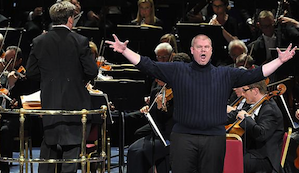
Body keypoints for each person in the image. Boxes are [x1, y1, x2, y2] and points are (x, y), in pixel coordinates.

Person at [105, 33, 296, 172]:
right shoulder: (178, 70)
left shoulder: (225, 74)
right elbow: (149, 65)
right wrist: (124, 51)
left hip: (214, 140)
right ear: (192, 50)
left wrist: (279, 61)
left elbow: (257, 73)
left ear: (211, 51)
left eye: (206, 47)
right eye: (199, 47)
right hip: (183, 138)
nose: (203, 50)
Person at [25, 1, 98, 173]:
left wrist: (49, 80)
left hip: (50, 101)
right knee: (71, 152)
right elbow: (92, 71)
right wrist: (77, 79)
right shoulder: (80, 41)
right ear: (70, 19)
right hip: (75, 103)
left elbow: (31, 72)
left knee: (50, 144)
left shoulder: (39, 41)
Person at [227, 80, 284, 173]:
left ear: (255, 91)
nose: (243, 94)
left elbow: (261, 134)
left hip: (264, 158)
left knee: (234, 162)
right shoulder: (253, 104)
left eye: (245, 90)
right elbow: (234, 115)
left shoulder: (270, 110)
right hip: (251, 152)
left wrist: (246, 119)